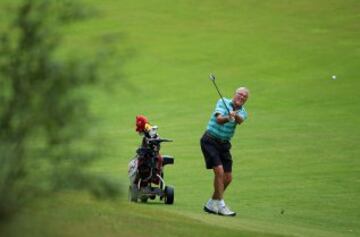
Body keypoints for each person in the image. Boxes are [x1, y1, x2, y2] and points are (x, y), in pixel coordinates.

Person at [200, 87, 249, 216]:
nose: (242, 97)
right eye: (240, 94)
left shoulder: (243, 112)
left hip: (224, 144)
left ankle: (211, 203)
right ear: (234, 94)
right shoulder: (222, 102)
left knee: (228, 177)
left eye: (245, 96)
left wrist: (235, 115)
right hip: (210, 140)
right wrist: (229, 116)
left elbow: (240, 120)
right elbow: (219, 120)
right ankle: (221, 204)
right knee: (219, 171)